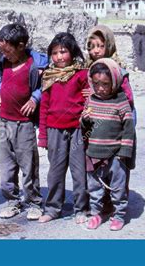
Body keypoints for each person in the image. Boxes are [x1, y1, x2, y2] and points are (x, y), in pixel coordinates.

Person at [0, 23, 47, 220]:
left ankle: (34, 202)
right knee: (7, 166)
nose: (5, 55)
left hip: (24, 124)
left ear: (21, 46)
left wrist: (35, 98)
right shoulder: (3, 62)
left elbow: (46, 84)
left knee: (28, 165)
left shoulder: (36, 65)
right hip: (4, 122)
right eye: (2, 51)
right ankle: (12, 201)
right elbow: (0, 80)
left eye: (8, 51)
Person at [37, 33, 89, 224]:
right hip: (54, 131)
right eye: (55, 53)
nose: (59, 57)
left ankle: (81, 209)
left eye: (63, 52)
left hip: (77, 130)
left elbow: (88, 102)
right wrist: (42, 136)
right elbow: (44, 108)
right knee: (55, 172)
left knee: (79, 171)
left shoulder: (82, 74)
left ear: (72, 52)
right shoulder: (49, 77)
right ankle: (52, 208)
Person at [81, 58, 135, 231]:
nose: (101, 88)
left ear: (115, 82)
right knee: (94, 187)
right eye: (96, 84)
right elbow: (84, 125)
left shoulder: (121, 101)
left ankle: (119, 215)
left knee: (117, 187)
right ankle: (96, 214)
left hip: (116, 155)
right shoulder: (91, 99)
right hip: (93, 152)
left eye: (105, 84)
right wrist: (85, 120)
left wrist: (124, 152)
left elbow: (128, 128)